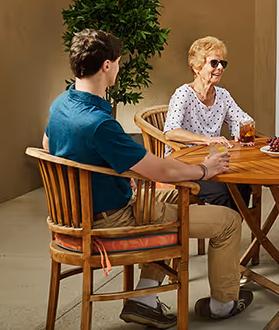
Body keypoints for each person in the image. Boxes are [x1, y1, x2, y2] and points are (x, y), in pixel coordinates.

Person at [43, 29, 252, 327]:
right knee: (228, 222)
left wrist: (105, 171)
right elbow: (160, 170)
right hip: (111, 219)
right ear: (106, 66)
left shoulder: (60, 105)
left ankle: (144, 299)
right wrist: (206, 170)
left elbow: (49, 148)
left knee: (175, 195)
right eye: (117, 62)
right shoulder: (99, 123)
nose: (118, 67)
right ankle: (223, 303)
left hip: (77, 215)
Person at [163, 36, 253, 210]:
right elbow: (171, 132)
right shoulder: (184, 94)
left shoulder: (223, 95)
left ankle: (228, 231)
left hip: (213, 159)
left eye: (222, 64)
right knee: (222, 192)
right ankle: (224, 231)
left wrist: (238, 130)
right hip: (184, 162)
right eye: (214, 63)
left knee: (243, 184)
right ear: (197, 68)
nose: (220, 68)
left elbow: (244, 119)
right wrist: (207, 140)